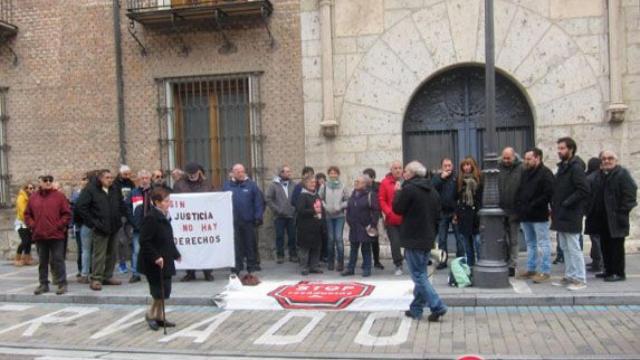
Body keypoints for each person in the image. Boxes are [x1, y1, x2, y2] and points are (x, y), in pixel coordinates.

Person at [392, 161, 447, 322]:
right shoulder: (432, 191)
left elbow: (397, 209)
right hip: (427, 238)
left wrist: (397, 193)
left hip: (413, 238)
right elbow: (438, 216)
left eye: (406, 172)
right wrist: (432, 235)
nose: (404, 174)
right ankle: (416, 309)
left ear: (413, 173)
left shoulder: (408, 189)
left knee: (418, 276)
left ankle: (437, 306)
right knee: (421, 274)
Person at [585, 150, 637, 282]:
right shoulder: (601, 175)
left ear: (616, 160)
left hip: (616, 218)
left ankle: (618, 273)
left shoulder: (622, 174)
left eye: (610, 158)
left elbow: (630, 195)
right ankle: (608, 270)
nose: (606, 161)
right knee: (605, 245)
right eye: (603, 159)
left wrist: (621, 211)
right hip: (602, 218)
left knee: (616, 247)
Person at [76, 169, 132, 291]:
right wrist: (93, 223)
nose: (110, 180)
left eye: (111, 177)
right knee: (99, 254)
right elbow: (80, 206)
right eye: (107, 177)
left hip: (114, 226)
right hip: (100, 227)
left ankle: (108, 276)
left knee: (112, 253)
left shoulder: (114, 189)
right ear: (100, 178)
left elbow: (121, 204)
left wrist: (123, 217)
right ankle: (96, 278)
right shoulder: (91, 190)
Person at [139, 186, 182, 331]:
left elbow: (168, 239)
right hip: (155, 261)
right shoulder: (151, 218)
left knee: (165, 291)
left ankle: (159, 316)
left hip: (166, 258)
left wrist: (176, 254)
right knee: (158, 291)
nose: (169, 203)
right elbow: (145, 241)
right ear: (157, 203)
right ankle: (151, 314)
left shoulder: (165, 216)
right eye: (166, 201)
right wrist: (156, 257)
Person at [550, 137, 590, 291]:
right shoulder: (563, 167)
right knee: (565, 247)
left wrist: (567, 202)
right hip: (561, 212)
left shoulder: (576, 167)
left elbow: (583, 189)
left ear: (571, 149)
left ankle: (580, 278)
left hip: (571, 213)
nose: (559, 151)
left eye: (562, 148)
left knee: (574, 247)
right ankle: (570, 275)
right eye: (558, 148)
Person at [24, 175, 72, 295]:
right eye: (46, 180)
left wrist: (59, 225)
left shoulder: (59, 196)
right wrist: (33, 225)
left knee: (58, 259)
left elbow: (66, 214)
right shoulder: (33, 197)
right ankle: (43, 284)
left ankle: (62, 283)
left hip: (56, 234)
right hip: (40, 234)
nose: (48, 182)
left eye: (50, 180)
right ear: (40, 182)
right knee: (42, 261)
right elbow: (27, 214)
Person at [515, 148, 554, 283]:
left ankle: (545, 271)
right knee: (530, 243)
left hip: (539, 214)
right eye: (525, 158)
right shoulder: (525, 173)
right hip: (525, 215)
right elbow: (520, 190)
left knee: (543, 243)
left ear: (538, 158)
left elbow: (548, 194)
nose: (526, 161)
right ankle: (531, 269)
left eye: (529, 159)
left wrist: (533, 204)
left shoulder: (546, 173)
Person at [173, 162, 215, 282]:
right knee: (188, 247)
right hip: (186, 220)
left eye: (194, 173)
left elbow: (214, 198)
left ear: (199, 172)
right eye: (190, 174)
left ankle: (207, 272)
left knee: (205, 246)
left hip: (203, 220)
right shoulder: (179, 184)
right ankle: (190, 272)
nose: (192, 176)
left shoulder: (207, 184)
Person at [223, 164, 265, 281]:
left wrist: (258, 216)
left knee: (250, 245)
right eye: (238, 172)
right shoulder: (226, 186)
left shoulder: (252, 185)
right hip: (233, 222)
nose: (241, 174)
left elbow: (259, 202)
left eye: (242, 171)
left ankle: (251, 267)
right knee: (236, 246)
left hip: (248, 221)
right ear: (232, 173)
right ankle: (236, 268)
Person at [342, 175, 380, 277]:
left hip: (365, 227)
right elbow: (349, 209)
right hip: (354, 227)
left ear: (364, 184)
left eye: (358, 182)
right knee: (353, 249)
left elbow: (376, 211)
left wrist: (372, 224)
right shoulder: (353, 195)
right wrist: (349, 220)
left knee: (366, 248)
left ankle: (367, 269)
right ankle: (350, 269)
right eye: (355, 181)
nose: (356, 183)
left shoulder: (370, 195)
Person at [431, 158, 462, 270]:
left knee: (459, 238)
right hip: (442, 213)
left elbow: (460, 195)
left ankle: (460, 259)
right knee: (442, 239)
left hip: (454, 212)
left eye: (449, 165)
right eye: (445, 166)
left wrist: (457, 212)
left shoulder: (456, 178)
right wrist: (440, 178)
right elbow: (432, 188)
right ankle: (443, 261)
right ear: (442, 167)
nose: (448, 168)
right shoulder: (437, 177)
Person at [497, 147, 523, 277]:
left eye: (508, 158)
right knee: (502, 239)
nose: (506, 160)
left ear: (514, 156)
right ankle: (505, 260)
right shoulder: (498, 167)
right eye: (504, 158)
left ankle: (512, 265)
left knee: (514, 239)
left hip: (515, 209)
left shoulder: (521, 168)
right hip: (501, 209)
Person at [266, 165, 298, 264]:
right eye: (286, 172)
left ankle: (293, 255)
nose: (289, 173)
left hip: (291, 215)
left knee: (292, 236)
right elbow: (268, 198)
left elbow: (298, 197)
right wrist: (277, 209)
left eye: (289, 172)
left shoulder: (294, 184)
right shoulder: (273, 185)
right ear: (281, 173)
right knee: (279, 236)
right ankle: (280, 255)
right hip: (279, 216)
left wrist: (295, 209)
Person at [319, 166, 349, 272]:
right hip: (328, 216)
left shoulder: (343, 186)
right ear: (328, 174)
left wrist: (340, 206)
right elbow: (320, 199)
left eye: (335, 173)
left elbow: (347, 200)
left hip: (339, 216)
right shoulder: (324, 186)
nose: (333, 175)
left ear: (338, 174)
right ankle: (331, 262)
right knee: (331, 239)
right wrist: (325, 206)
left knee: (338, 239)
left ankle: (340, 262)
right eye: (331, 173)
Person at [455, 156, 483, 267]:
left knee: (478, 241)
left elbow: (481, 197)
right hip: (464, 214)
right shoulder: (459, 180)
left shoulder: (479, 179)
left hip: (476, 214)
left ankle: (481, 263)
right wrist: (456, 213)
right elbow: (455, 197)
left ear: (473, 166)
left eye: (468, 164)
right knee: (467, 243)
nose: (466, 167)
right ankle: (470, 265)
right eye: (464, 165)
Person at [379, 161, 405, 276]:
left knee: (410, 242)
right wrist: (389, 213)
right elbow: (382, 200)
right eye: (395, 168)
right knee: (395, 243)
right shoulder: (385, 183)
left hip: (406, 218)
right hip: (391, 219)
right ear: (391, 170)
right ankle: (398, 264)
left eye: (400, 168)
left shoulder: (407, 182)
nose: (398, 170)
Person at [295, 175, 325, 275]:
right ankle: (304, 267)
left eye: (314, 182)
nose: (313, 184)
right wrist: (313, 211)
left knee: (316, 247)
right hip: (305, 227)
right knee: (305, 248)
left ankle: (314, 266)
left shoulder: (316, 195)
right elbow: (300, 210)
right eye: (311, 182)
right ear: (305, 184)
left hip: (316, 226)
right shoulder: (302, 196)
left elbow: (321, 208)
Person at [129, 169, 154, 283]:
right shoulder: (133, 192)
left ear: (150, 179)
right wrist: (132, 221)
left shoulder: (155, 192)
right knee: (137, 251)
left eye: (146, 178)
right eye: (142, 178)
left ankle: (154, 272)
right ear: (138, 180)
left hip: (153, 227)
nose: (144, 180)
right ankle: (135, 273)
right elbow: (127, 208)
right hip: (138, 226)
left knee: (154, 249)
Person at [114, 165, 135, 275]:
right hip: (120, 215)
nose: (127, 176)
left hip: (129, 214)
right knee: (121, 241)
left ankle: (133, 263)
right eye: (125, 174)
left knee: (132, 239)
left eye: (128, 174)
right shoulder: (115, 184)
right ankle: (122, 264)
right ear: (120, 174)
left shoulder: (131, 184)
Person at [584, 157, 603, 273]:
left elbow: (586, 196)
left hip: (592, 212)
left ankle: (598, 262)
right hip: (601, 212)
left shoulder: (589, 178)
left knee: (595, 238)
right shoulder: (603, 177)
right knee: (599, 238)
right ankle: (598, 261)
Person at [363, 168, 384, 270]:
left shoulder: (378, 187)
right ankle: (366, 261)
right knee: (364, 240)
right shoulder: (362, 187)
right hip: (365, 216)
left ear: (372, 178)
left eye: (367, 177)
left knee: (375, 240)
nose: (365, 179)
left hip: (376, 216)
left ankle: (376, 261)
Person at [14, 182, 36, 266]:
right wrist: (29, 220)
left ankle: (27, 258)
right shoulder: (21, 198)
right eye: (30, 188)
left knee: (29, 241)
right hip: (22, 223)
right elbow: (23, 212)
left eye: (33, 188)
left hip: (29, 222)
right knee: (25, 241)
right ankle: (17, 258)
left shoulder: (32, 197)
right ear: (26, 189)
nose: (32, 190)